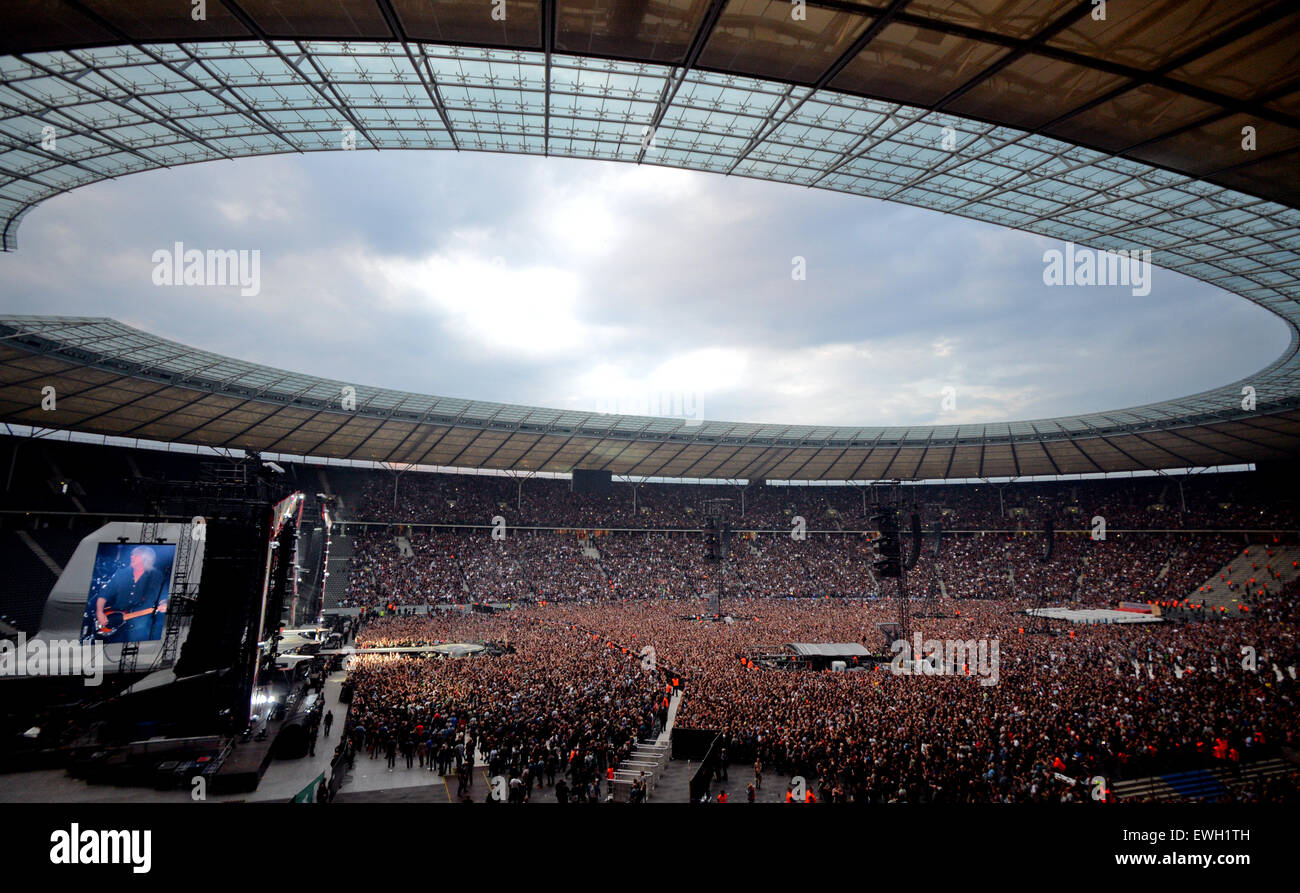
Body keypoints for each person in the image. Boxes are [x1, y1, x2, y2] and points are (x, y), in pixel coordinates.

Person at [87, 545, 169, 643]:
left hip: (138, 624)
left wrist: (164, 603)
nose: (132, 556)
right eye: (132, 554)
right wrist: (99, 612)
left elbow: (163, 596)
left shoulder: (156, 576)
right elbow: (104, 594)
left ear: (145, 559)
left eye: (136, 555)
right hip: (115, 619)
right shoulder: (121, 573)